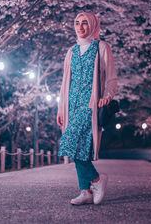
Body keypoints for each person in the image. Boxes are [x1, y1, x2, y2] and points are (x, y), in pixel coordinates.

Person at [57, 12, 117, 205]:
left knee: (68, 142)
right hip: (72, 106)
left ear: (92, 25)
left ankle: (97, 180)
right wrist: (60, 109)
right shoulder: (71, 52)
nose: (80, 27)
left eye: (84, 23)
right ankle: (86, 191)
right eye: (77, 23)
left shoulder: (101, 47)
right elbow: (66, 82)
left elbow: (111, 76)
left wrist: (107, 96)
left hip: (89, 105)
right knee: (78, 148)